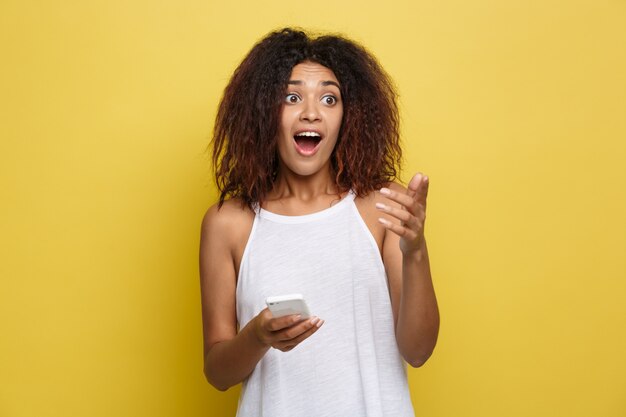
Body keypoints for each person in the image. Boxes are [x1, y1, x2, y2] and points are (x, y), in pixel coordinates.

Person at [200, 28, 439, 417]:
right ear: (263, 112)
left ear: (348, 116)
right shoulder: (228, 224)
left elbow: (419, 350)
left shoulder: (382, 207)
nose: (311, 112)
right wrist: (258, 337)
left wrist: (415, 252)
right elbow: (217, 372)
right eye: (292, 97)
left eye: (329, 98)